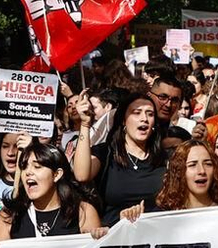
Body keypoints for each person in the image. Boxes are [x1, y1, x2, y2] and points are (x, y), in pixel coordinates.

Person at [71, 91, 166, 226]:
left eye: (150, 114)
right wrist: (85, 125)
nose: (144, 118)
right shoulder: (105, 153)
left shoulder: (164, 158)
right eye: (136, 113)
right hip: (114, 240)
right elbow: (81, 175)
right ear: (123, 120)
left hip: (154, 237)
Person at [0, 142, 104, 238]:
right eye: (24, 167)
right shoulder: (9, 215)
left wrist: (101, 236)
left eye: (37, 167)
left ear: (57, 174)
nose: (28, 172)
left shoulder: (83, 212)